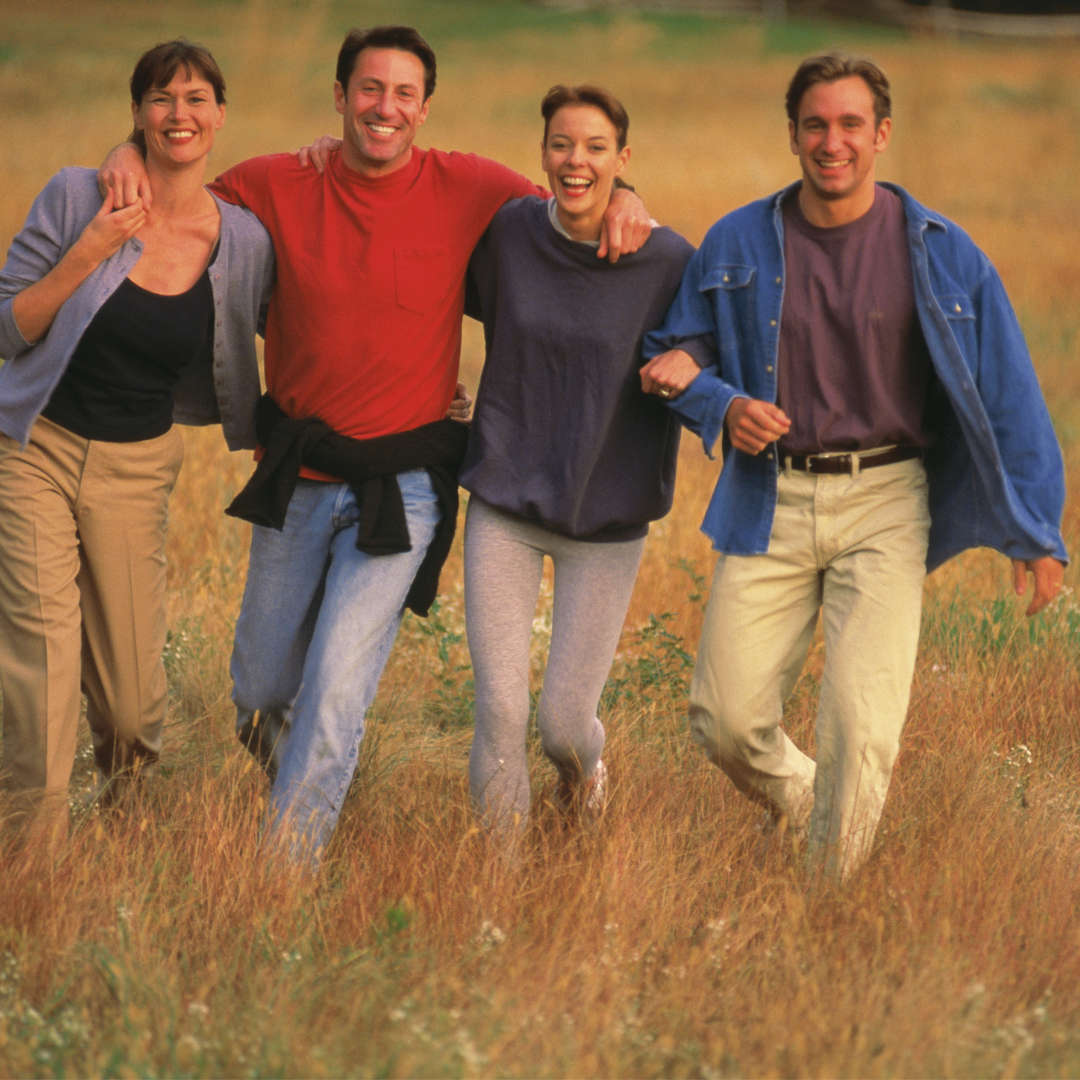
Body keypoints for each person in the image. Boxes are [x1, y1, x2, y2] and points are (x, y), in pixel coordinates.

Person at [98, 26, 651, 866]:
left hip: (405, 490)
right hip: (297, 475)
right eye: (369, 88)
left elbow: (570, 193)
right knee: (258, 693)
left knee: (334, 694)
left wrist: (627, 196)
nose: (383, 108)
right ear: (339, 96)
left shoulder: (468, 185)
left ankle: (281, 874)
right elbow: (177, 186)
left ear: (425, 109)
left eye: (402, 94)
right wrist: (125, 149)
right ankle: (315, 785)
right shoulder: (278, 180)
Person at [640, 53, 1067, 880]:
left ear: (881, 134)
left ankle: (825, 901)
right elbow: (675, 350)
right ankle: (808, 801)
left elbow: (1008, 391)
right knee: (723, 717)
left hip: (887, 499)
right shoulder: (736, 240)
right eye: (815, 125)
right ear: (793, 134)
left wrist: (1037, 531)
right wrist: (722, 404)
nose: (831, 142)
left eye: (849, 125)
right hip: (772, 496)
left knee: (862, 723)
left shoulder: (945, 254)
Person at [0, 40, 274, 842]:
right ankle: (34, 860)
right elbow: (8, 329)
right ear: (138, 114)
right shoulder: (73, 195)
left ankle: (123, 831)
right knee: (42, 662)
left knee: (129, 705)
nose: (178, 114)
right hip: (34, 450)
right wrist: (92, 247)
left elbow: (317, 311)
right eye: (161, 98)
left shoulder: (244, 241)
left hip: (137, 465)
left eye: (195, 99)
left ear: (220, 117)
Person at [460, 85, 694, 844]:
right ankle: (500, 889)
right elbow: (428, 292)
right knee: (499, 708)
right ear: (542, 153)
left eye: (596, 148)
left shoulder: (666, 261)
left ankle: (584, 771)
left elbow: (717, 342)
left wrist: (690, 358)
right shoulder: (508, 234)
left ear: (623, 160)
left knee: (562, 724)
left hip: (608, 514)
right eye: (562, 144)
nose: (576, 161)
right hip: (505, 501)